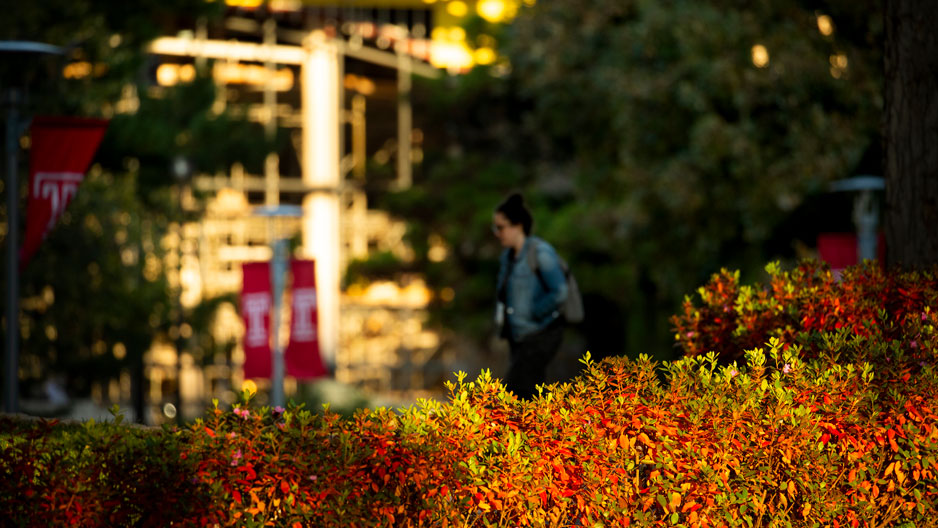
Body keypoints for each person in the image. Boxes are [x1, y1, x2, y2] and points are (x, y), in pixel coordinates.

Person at [493, 193, 568, 400]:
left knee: (515, 392)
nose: (497, 233)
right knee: (531, 394)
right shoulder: (508, 258)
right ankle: (548, 430)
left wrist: (536, 313)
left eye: (501, 227)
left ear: (517, 226)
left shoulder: (540, 253)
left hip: (540, 334)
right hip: (519, 337)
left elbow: (560, 291)